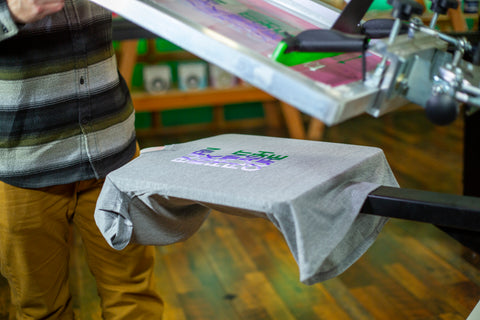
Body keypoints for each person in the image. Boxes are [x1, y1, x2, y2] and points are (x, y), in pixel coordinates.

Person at [0, 0, 164, 318]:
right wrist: (12, 13)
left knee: (134, 302)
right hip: (24, 162)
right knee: (41, 309)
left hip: (115, 152)